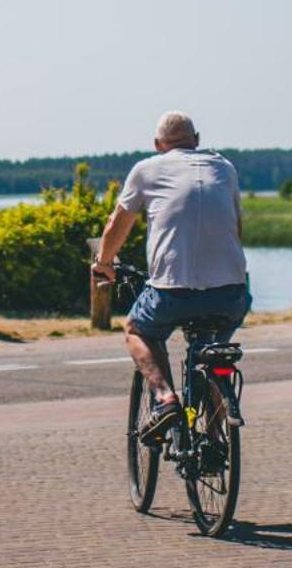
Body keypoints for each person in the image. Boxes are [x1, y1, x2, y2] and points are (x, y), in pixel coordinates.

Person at [91, 111, 251, 443]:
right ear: (197, 140)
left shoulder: (146, 169)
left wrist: (104, 262)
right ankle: (216, 435)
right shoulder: (224, 168)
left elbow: (116, 226)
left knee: (137, 329)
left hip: (172, 293)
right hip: (231, 293)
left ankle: (165, 400)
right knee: (212, 351)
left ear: (157, 144)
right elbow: (236, 228)